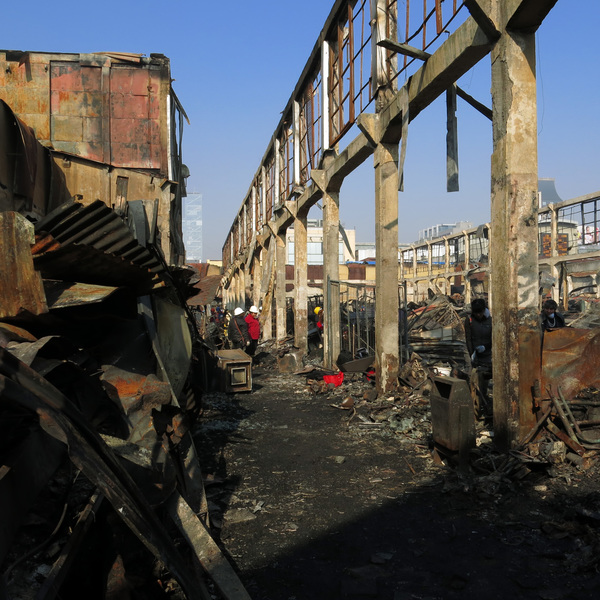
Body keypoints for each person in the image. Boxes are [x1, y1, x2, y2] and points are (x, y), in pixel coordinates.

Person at [464, 298, 492, 418]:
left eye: (480, 312)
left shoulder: (491, 319)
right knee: (473, 380)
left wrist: (486, 347)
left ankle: (484, 405)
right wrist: (472, 353)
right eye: (476, 313)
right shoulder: (469, 320)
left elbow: (494, 336)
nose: (478, 315)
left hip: (488, 353)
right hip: (475, 353)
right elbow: (468, 338)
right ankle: (474, 406)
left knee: (484, 382)